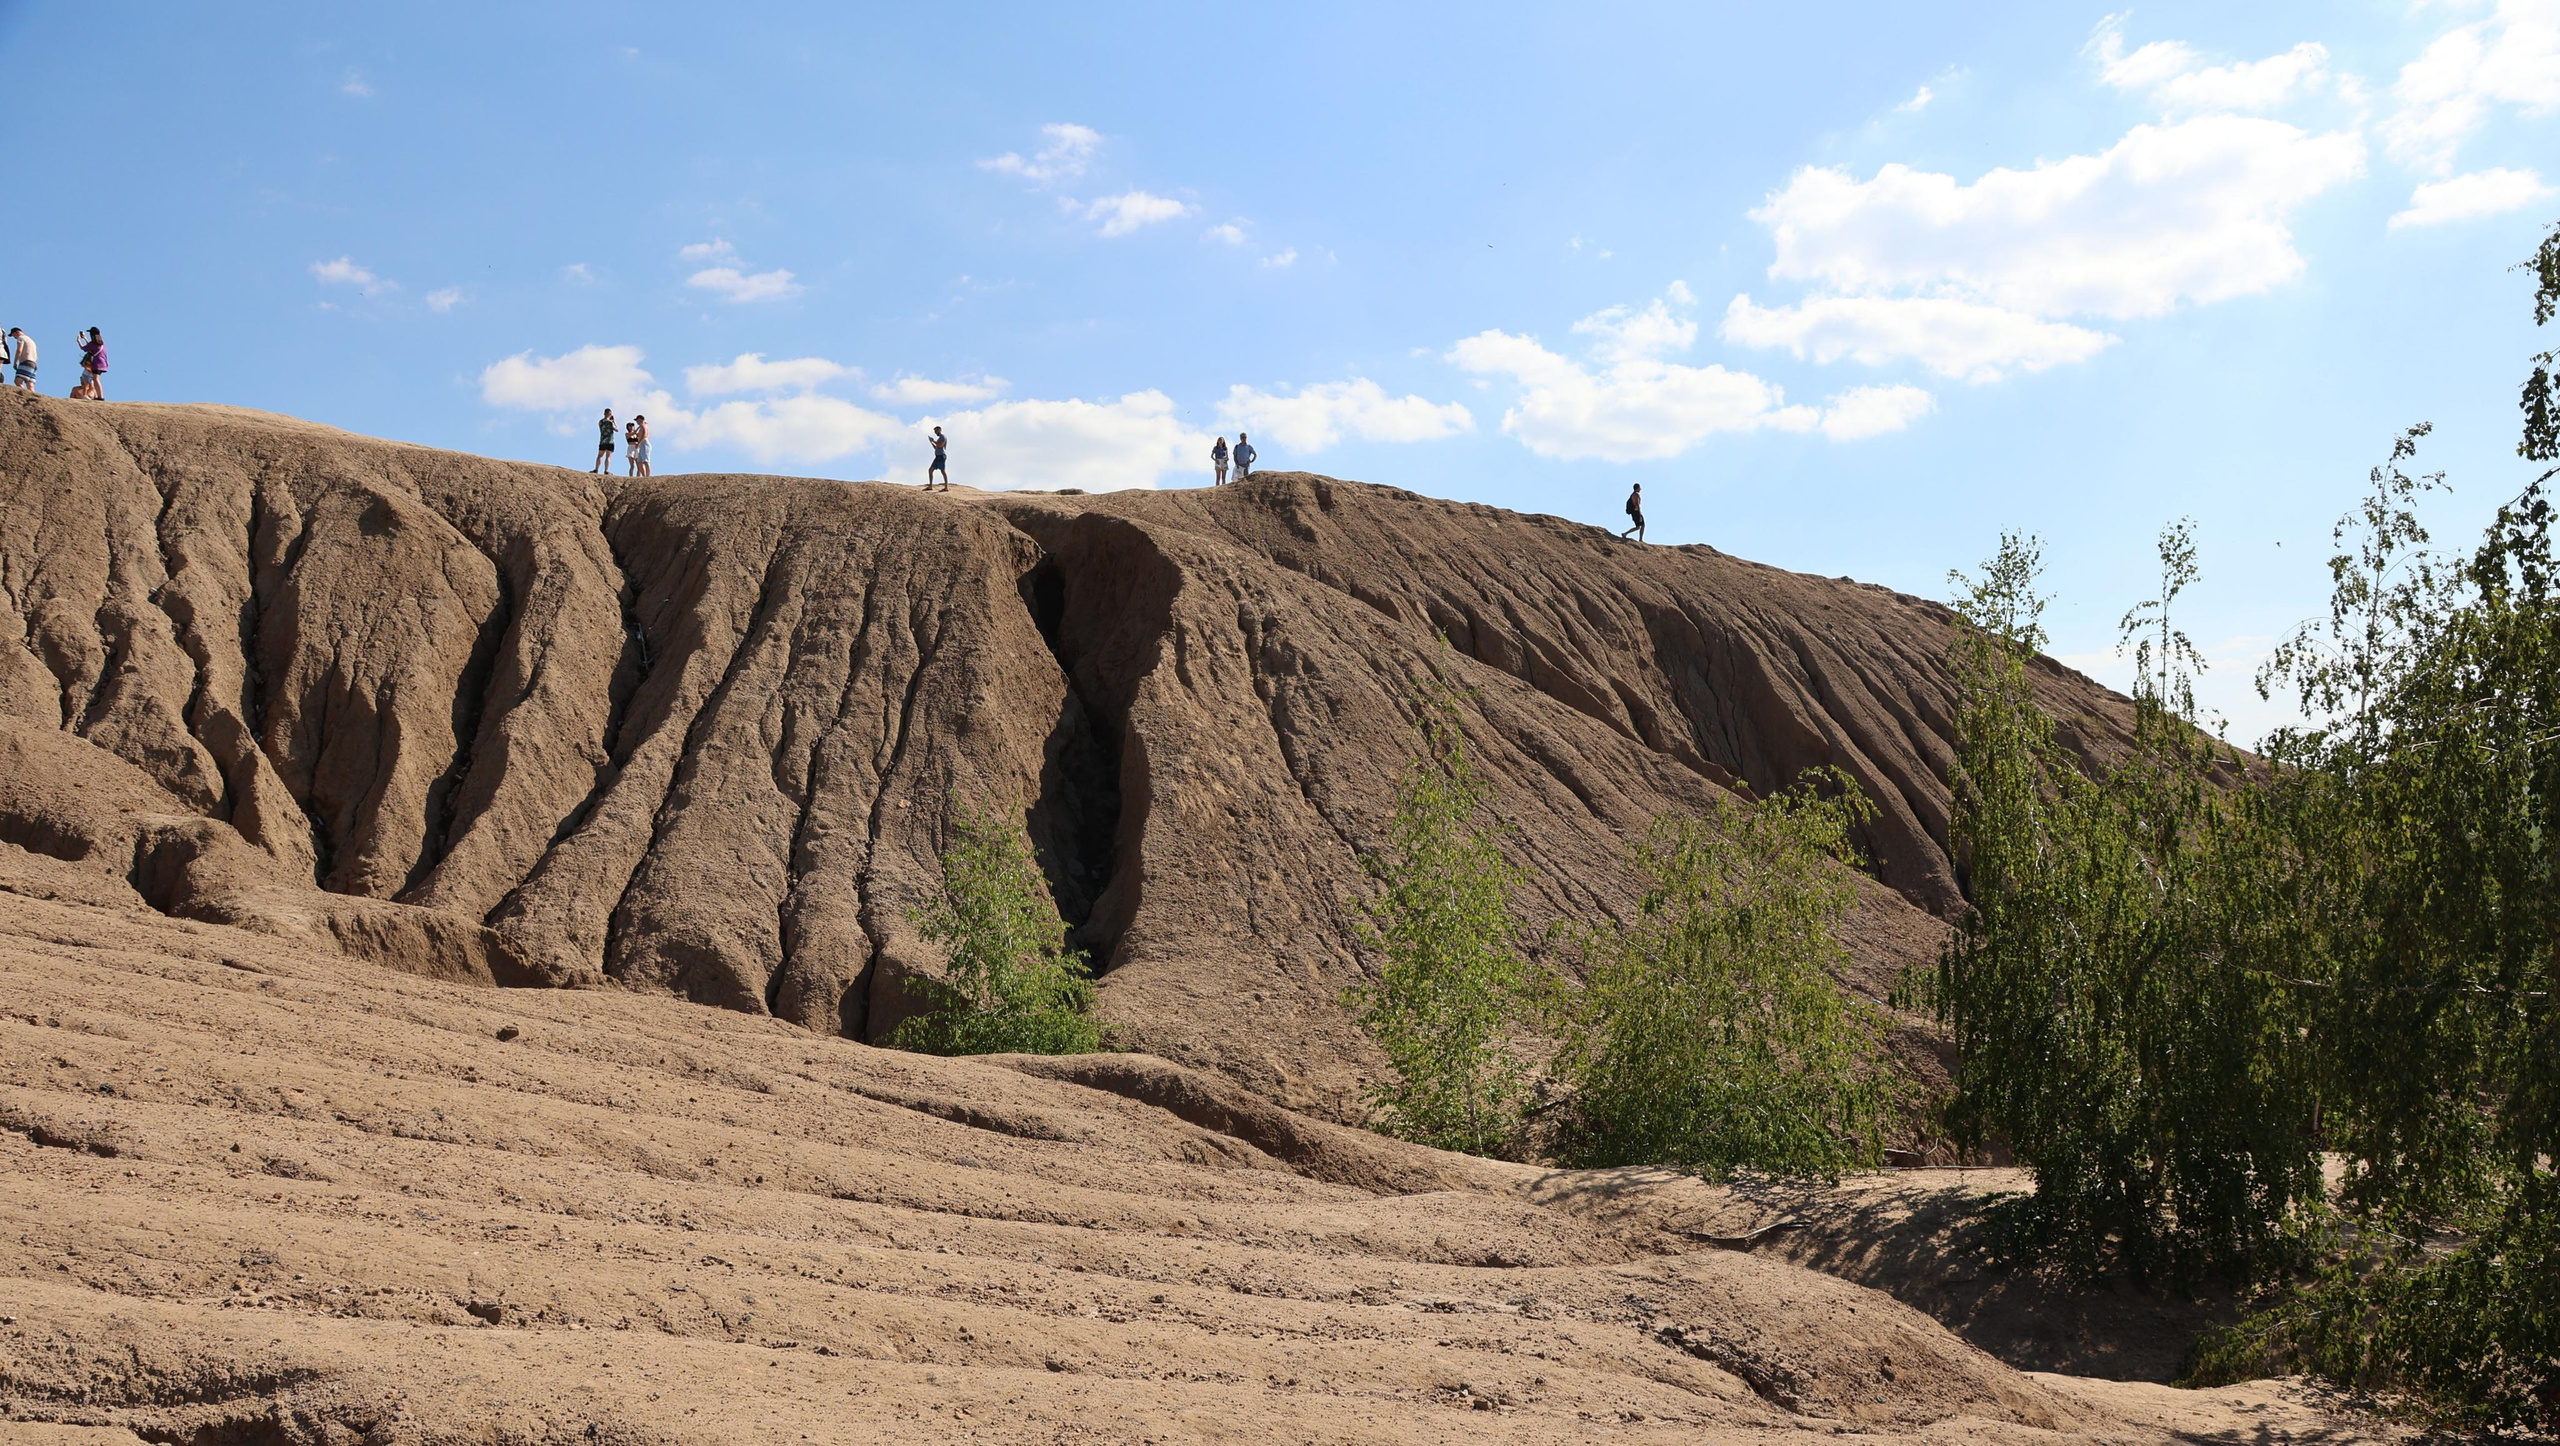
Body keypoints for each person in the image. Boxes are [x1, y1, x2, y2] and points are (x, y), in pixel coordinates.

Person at [73, 328, 107, 401]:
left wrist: (78, 341)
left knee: (96, 379)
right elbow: (91, 347)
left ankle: (100, 397)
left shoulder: (93, 344)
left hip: (96, 364)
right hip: (103, 364)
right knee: (96, 379)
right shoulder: (102, 344)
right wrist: (85, 338)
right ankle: (99, 396)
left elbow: (84, 348)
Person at [592, 408, 616, 474]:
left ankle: (596, 469)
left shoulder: (600, 422)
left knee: (600, 456)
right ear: (610, 414)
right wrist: (614, 422)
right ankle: (606, 470)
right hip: (610, 441)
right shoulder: (610, 422)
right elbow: (616, 429)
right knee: (608, 456)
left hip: (602, 440)